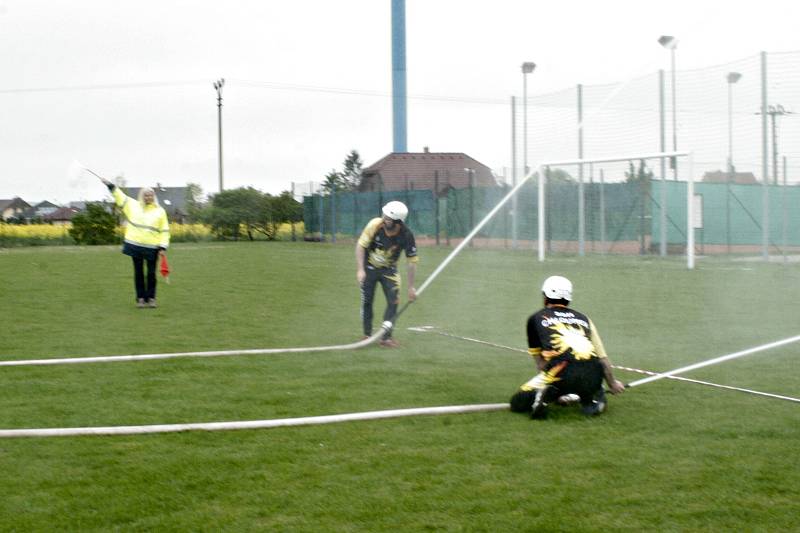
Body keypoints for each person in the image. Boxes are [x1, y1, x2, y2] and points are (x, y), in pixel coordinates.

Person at [510, 275, 625, 418]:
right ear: (568, 298)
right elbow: (603, 359)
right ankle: (593, 397)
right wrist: (613, 383)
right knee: (590, 397)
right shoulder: (584, 319)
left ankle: (549, 393)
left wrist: (545, 382)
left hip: (559, 372)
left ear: (545, 296)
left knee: (517, 403)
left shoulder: (535, 318)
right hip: (592, 374)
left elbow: (540, 364)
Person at [98, 176, 170, 308]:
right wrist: (109, 185)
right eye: (146, 195)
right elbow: (120, 196)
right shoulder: (133, 206)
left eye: (151, 195)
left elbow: (164, 230)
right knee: (138, 273)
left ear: (154, 197)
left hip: (152, 247)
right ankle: (141, 299)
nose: (149, 197)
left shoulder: (160, 211)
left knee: (151, 274)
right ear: (142, 196)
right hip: (135, 246)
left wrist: (163, 246)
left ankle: (151, 298)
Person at [356, 200, 418, 347]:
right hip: (369, 268)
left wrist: (411, 287)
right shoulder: (375, 225)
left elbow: (412, 262)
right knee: (367, 301)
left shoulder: (407, 235)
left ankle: (386, 338)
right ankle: (366, 335)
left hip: (390, 271)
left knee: (393, 302)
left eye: (388, 218)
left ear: (398, 222)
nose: (384, 219)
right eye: (384, 215)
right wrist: (360, 269)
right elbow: (360, 246)